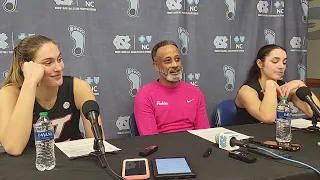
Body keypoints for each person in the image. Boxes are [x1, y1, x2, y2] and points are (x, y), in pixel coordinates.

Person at [0, 35, 104, 156]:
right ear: (26, 67)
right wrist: (29, 83)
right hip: (34, 168)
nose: (59, 67)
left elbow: (99, 144)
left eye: (59, 59)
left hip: (74, 166)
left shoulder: (78, 87)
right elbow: (14, 148)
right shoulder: (10, 94)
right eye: (48, 63)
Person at [134, 40, 210, 136]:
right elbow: (151, 140)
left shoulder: (195, 92)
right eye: (168, 61)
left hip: (195, 146)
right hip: (163, 148)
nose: (175, 65)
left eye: (177, 59)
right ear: (156, 66)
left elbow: (204, 133)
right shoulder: (145, 96)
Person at [235, 44, 320, 125]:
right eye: (275, 61)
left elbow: (317, 114)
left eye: (284, 62)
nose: (281, 66)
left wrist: (300, 84)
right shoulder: (247, 90)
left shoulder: (284, 88)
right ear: (260, 63)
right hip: (247, 136)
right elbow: (268, 118)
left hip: (278, 135)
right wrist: (270, 85)